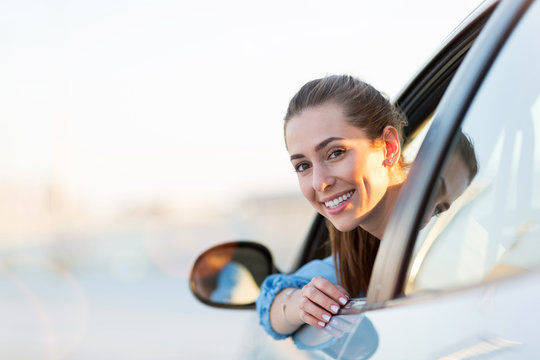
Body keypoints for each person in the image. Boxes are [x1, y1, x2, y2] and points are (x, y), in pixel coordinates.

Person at [256, 75, 408, 340]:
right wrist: (301, 303)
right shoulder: (357, 258)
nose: (319, 182)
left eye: (335, 153)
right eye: (303, 166)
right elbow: (268, 303)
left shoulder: (445, 233)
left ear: (388, 147)